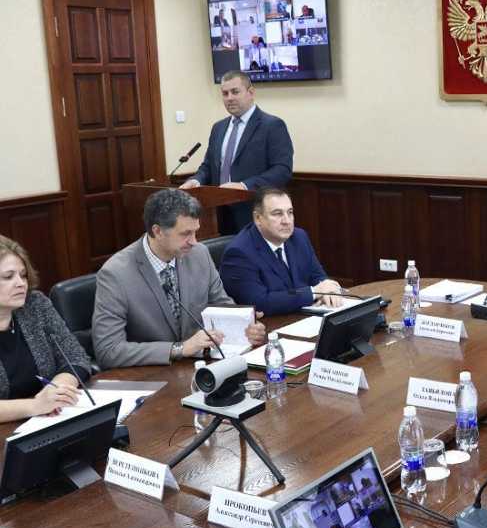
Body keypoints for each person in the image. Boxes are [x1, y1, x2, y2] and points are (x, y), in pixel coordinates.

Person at [92, 189, 266, 369]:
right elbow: (108, 351)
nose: (194, 241)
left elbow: (221, 305)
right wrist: (179, 349)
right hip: (151, 373)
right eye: (186, 234)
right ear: (157, 231)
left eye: (195, 232)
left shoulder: (199, 254)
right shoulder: (116, 274)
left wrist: (246, 325)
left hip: (202, 365)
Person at [181, 70, 293, 233]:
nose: (229, 98)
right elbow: (208, 166)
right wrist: (196, 181)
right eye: (225, 93)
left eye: (235, 92)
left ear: (251, 93)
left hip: (255, 211)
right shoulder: (218, 127)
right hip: (218, 212)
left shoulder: (272, 125)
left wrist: (244, 186)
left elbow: (282, 170)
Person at [0, 236, 87, 423]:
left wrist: (57, 389)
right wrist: (35, 406)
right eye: (8, 277)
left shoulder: (35, 304)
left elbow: (76, 357)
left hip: (50, 419)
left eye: (23, 275)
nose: (21, 283)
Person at [220, 187, 344, 316]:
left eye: (290, 212)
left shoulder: (299, 237)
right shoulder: (239, 253)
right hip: (269, 323)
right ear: (258, 218)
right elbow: (260, 302)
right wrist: (314, 292)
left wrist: (328, 290)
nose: (287, 221)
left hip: (303, 316)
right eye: (277, 214)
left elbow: (317, 276)